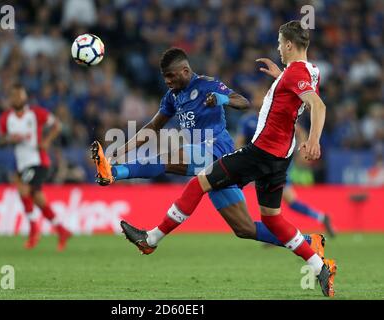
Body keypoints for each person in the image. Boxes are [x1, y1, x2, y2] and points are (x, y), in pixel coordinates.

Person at [119, 21, 337, 297]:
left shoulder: (296, 74)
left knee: (200, 182)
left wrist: (315, 138)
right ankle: (320, 265)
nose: (279, 48)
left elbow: (318, 104)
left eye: (281, 44)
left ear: (290, 45)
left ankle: (151, 239)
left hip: (262, 151)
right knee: (272, 219)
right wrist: (280, 76)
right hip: (281, 156)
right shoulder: (310, 71)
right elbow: (297, 94)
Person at [91, 47, 325, 256]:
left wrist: (222, 99)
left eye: (171, 76)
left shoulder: (207, 84)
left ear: (184, 71)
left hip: (217, 149)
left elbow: (242, 101)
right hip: (204, 157)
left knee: (169, 157)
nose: (167, 82)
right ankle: (308, 242)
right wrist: (119, 151)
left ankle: (114, 173)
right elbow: (152, 127)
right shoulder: (172, 96)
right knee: (244, 228)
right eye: (165, 78)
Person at [236, 89, 335, 237]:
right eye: (255, 97)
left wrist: (302, 148)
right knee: (274, 200)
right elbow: (239, 142)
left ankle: (311, 221)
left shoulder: (275, 116)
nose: (256, 100)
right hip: (259, 163)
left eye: (259, 96)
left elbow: (299, 132)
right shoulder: (247, 120)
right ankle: (281, 230)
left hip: (277, 162)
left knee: (283, 200)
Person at [0, 84, 72, 251]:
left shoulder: (36, 113)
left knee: (23, 189)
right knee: (37, 196)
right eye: (14, 96)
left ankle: (34, 231)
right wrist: (10, 139)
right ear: (10, 99)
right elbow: (0, 141)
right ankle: (61, 230)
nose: (17, 98)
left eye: (20, 95)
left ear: (25, 97)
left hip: (39, 161)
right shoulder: (5, 118)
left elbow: (57, 125)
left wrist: (46, 141)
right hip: (22, 163)